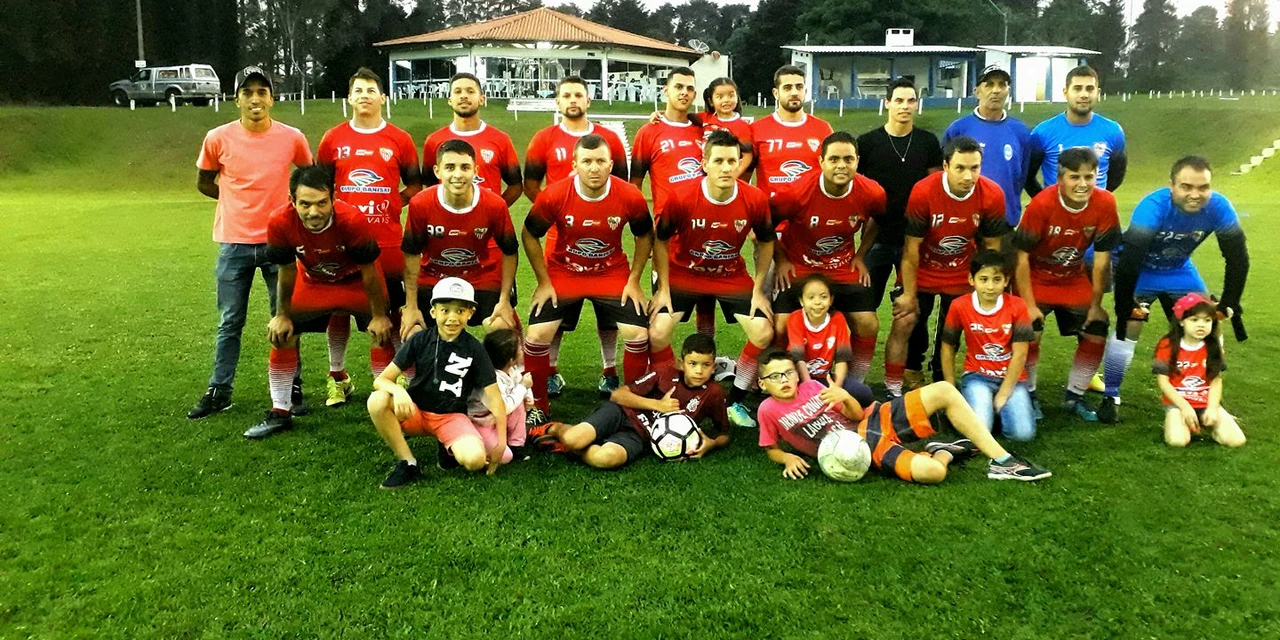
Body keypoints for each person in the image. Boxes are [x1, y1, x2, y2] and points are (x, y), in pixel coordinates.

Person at [189, 66, 313, 420]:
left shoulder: (292, 138)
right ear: (237, 99)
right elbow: (204, 181)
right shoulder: (217, 138)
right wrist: (233, 201)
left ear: (272, 98)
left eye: (262, 92)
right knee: (230, 321)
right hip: (234, 243)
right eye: (248, 92)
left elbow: (309, 177)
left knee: (285, 317)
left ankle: (291, 387)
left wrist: (292, 208)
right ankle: (220, 389)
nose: (255, 99)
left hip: (279, 243)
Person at [1098, 156, 1249, 423]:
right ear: (1172, 185)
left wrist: (1229, 300)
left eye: (1203, 187)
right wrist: (1125, 302)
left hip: (1178, 270)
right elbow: (1131, 261)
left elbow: (1237, 257)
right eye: (1186, 187)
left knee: (1208, 324)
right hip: (1141, 270)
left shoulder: (1219, 207)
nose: (1195, 194)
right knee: (1129, 325)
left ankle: (1206, 396)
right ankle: (1111, 395)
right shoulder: (1153, 206)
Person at [755, 349, 1051, 483]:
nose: (785, 380)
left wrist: (844, 397)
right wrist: (788, 458)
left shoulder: (812, 387)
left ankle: (1004, 461)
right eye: (775, 376)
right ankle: (944, 452)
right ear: (762, 384)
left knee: (945, 390)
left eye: (789, 373)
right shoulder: (767, 410)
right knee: (934, 473)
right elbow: (770, 448)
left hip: (871, 419)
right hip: (861, 449)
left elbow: (855, 414)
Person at [249, 165, 393, 439]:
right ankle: (280, 411)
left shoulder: (352, 219)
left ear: (333, 198)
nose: (314, 212)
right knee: (283, 334)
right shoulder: (279, 221)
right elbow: (286, 270)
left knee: (381, 333)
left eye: (321, 203)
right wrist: (282, 315)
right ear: (292, 201)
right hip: (314, 282)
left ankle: (387, 407)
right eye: (305, 204)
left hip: (355, 282)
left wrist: (378, 315)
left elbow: (369, 270)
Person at [650, 130, 776, 428]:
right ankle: (671, 392)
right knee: (657, 333)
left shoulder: (754, 198)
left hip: (729, 275)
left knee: (763, 332)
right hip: (683, 273)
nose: (726, 167)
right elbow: (660, 240)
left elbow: (767, 242)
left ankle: (734, 401)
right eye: (718, 161)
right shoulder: (681, 196)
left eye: (732, 161)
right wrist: (662, 288)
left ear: (740, 164)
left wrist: (759, 289)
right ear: (704, 163)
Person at [522, 134, 654, 417]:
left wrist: (634, 280)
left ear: (611, 165)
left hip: (611, 273)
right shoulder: (555, 194)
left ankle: (632, 406)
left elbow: (645, 235)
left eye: (600, 161)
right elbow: (529, 234)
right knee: (537, 335)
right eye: (587, 161)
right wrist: (544, 282)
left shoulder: (629, 195)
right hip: (564, 272)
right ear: (575, 164)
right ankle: (539, 406)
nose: (594, 168)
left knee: (637, 332)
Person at [315, 67, 421, 407]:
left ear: (383, 98)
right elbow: (320, 188)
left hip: (387, 242)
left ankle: (399, 382)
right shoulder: (333, 139)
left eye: (371, 90)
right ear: (349, 98)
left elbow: (415, 185)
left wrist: (395, 201)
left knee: (390, 312)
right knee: (339, 310)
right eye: (358, 90)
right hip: (342, 243)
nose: (364, 95)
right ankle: (337, 377)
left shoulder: (399, 139)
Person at [523, 75, 631, 398]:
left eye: (578, 95)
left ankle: (609, 371)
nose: (573, 100)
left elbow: (622, 185)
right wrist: (556, 212)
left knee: (608, 313)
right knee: (556, 312)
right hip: (559, 241)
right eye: (567, 95)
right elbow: (531, 184)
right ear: (557, 101)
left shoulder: (609, 138)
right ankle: (551, 372)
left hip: (605, 241)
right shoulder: (543, 139)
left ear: (588, 99)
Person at [884, 136, 1010, 396]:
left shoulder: (992, 193)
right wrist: (909, 294)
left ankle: (943, 379)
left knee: (953, 327)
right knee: (907, 319)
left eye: (974, 168)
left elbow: (991, 250)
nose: (968, 176)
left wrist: (986, 288)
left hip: (961, 270)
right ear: (945, 166)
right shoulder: (924, 191)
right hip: (923, 267)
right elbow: (911, 249)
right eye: (960, 168)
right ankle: (901, 380)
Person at [367, 277, 508, 489]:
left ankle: (446, 447)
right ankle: (408, 462)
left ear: (470, 313)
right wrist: (399, 391)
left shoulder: (475, 349)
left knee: (475, 461)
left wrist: (501, 442)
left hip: (450, 417)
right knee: (377, 400)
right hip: (415, 411)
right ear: (433, 312)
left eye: (460, 311)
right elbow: (382, 380)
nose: (452, 317)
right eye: (445, 310)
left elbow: (494, 396)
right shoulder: (420, 339)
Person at [1011, 147, 1120, 422]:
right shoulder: (1042, 204)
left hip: (1072, 277)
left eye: (1089, 177)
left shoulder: (1106, 203)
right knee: (1029, 329)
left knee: (1097, 328)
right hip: (1036, 277)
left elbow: (1102, 261)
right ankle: (1028, 393)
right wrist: (1028, 305)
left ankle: (1075, 396)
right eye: (1074, 177)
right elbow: (1020, 257)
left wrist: (1096, 305)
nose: (1082, 184)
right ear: (1060, 179)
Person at [769, 131, 884, 383]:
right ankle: (781, 380)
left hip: (842, 267)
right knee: (781, 325)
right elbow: (765, 224)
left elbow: (878, 219)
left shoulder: (872, 192)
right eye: (834, 159)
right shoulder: (796, 192)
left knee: (868, 323)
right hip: (799, 265)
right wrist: (782, 260)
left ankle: (854, 381)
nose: (841, 165)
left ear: (857, 161)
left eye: (848, 159)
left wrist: (860, 255)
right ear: (821, 162)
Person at [532, 334, 730, 469]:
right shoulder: (665, 373)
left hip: (640, 437)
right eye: (693, 364)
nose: (699, 371)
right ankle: (554, 429)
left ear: (714, 367)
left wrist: (711, 444)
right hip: (621, 413)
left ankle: (568, 448)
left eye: (706, 365)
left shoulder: (714, 393)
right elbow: (618, 395)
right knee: (574, 439)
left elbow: (724, 433)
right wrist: (658, 405)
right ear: (681, 363)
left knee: (606, 459)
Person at [400, 140, 518, 339]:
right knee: (413, 332)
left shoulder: (495, 205)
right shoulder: (420, 204)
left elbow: (510, 251)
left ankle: (507, 360)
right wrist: (411, 306)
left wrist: (504, 301)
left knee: (501, 328)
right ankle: (429, 361)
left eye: (465, 167)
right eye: (449, 167)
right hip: (433, 276)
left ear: (475, 171)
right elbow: (411, 255)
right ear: (437, 171)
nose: (457, 174)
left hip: (480, 275)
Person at [856, 78, 944, 309]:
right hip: (877, 236)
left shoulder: (927, 142)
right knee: (864, 304)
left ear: (916, 104)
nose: (905, 106)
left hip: (916, 238)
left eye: (910, 101)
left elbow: (936, 187)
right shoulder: (867, 143)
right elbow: (855, 187)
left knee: (914, 307)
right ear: (887, 103)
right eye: (899, 100)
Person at [939, 250, 1036, 441]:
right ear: (971, 279)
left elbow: (1020, 354)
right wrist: (950, 387)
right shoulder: (959, 306)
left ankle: (998, 410)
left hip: (1012, 378)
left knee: (1023, 435)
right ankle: (983, 411)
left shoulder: (1018, 306)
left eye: (997, 279)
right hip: (977, 377)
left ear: (1006, 281)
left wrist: (1004, 393)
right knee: (979, 431)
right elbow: (947, 346)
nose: (990, 286)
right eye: (983, 279)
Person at [942, 65, 1034, 225]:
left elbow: (1021, 176)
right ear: (977, 91)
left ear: (1008, 90)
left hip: (1004, 220)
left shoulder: (1020, 131)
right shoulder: (958, 129)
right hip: (964, 220)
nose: (996, 90)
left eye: (1002, 85)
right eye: (989, 84)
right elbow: (944, 174)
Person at [1153, 293, 1245, 448]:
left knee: (1236, 441)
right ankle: (1178, 422)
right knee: (1177, 441)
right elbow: (1163, 382)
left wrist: (1212, 408)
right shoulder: (1167, 345)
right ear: (1181, 321)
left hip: (1205, 401)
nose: (1201, 325)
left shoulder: (1213, 346)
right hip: (1178, 403)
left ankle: (1206, 424)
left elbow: (1215, 380)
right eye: (1194, 320)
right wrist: (1185, 407)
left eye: (1207, 320)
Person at [421, 72, 523, 205]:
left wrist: (496, 209)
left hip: (487, 218)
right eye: (457, 91)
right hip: (448, 217)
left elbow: (516, 186)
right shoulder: (434, 141)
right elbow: (428, 186)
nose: (464, 96)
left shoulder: (500, 139)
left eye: (470, 91)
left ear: (482, 99)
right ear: (450, 100)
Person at [1029, 65, 1127, 192]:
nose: (1084, 94)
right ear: (1065, 93)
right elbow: (1028, 176)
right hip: (1056, 205)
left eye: (1090, 89)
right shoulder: (1042, 133)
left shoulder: (1114, 131)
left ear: (1098, 93)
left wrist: (1099, 198)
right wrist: (1043, 201)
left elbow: (1116, 174)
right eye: (1077, 88)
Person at [750, 65, 833, 200]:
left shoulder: (823, 129)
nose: (794, 92)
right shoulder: (756, 129)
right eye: (787, 88)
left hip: (812, 209)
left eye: (799, 87)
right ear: (776, 93)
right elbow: (743, 179)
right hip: (771, 210)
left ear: (805, 91)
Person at [630, 66, 705, 213]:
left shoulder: (704, 130)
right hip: (667, 223)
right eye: (678, 87)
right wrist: (641, 221)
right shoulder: (648, 132)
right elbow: (635, 184)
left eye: (689, 89)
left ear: (694, 95)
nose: (684, 92)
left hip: (703, 220)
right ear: (666, 91)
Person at [465, 328, 531, 463]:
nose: (523, 350)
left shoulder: (511, 369)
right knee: (504, 457)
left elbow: (520, 381)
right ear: (511, 360)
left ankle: (516, 444)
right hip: (481, 421)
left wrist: (528, 397)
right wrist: (523, 387)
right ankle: (474, 441)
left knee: (519, 404)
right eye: (520, 348)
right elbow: (503, 408)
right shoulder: (491, 379)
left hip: (498, 417)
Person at [784, 275, 857, 393]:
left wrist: (836, 388)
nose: (817, 302)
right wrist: (809, 385)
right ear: (802, 301)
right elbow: (797, 357)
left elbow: (842, 359)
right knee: (791, 392)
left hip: (825, 378)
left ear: (831, 300)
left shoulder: (838, 319)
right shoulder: (796, 318)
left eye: (823, 297)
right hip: (800, 378)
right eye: (811, 297)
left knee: (863, 392)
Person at [701, 76, 754, 175]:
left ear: (737, 97)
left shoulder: (742, 126)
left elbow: (747, 155)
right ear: (711, 101)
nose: (726, 100)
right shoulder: (705, 118)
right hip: (706, 174)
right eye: (720, 97)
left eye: (731, 95)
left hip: (726, 174)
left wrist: (735, 174)